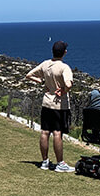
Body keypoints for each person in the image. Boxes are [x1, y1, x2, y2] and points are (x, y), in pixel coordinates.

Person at [25, 40, 74, 172]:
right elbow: (68, 84)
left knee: (44, 132)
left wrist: (40, 81)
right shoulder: (64, 68)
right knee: (58, 133)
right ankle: (60, 163)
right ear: (65, 53)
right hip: (59, 105)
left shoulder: (45, 64)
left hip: (46, 102)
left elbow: (29, 75)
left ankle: (45, 162)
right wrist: (63, 89)